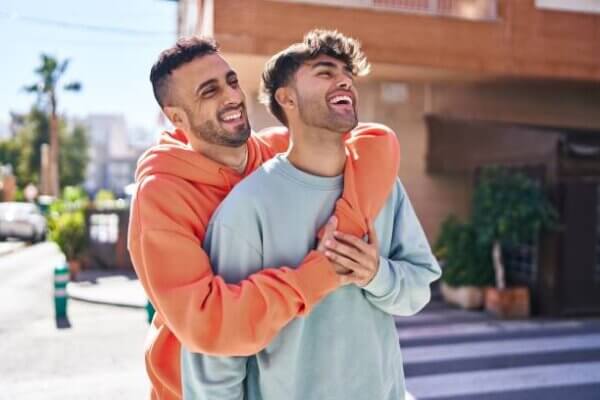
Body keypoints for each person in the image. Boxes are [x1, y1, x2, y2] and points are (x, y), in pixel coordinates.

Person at [128, 35, 401, 399]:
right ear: (177, 118)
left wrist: (343, 234)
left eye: (231, 81)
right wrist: (320, 272)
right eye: (209, 91)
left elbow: (376, 142)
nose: (232, 97)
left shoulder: (276, 152)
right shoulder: (161, 196)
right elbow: (210, 323)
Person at [181, 30, 441, 400]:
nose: (344, 81)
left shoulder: (383, 184)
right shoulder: (247, 209)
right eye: (325, 72)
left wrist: (376, 274)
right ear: (286, 98)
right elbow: (218, 356)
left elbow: (418, 289)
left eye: (347, 74)